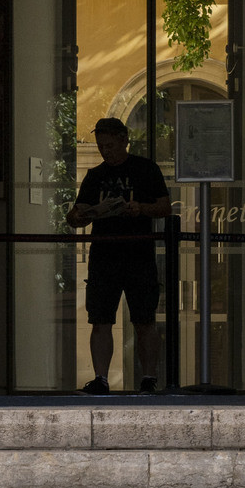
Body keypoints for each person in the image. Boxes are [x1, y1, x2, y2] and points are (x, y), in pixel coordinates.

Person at [67, 114, 172, 394]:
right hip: (104, 256)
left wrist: (140, 208)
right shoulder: (95, 175)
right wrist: (81, 215)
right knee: (100, 319)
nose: (106, 152)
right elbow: (74, 216)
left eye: (110, 146)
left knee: (144, 319)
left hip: (139, 255)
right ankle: (101, 378)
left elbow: (165, 207)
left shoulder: (146, 169)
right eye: (101, 146)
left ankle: (149, 377)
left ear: (125, 140)